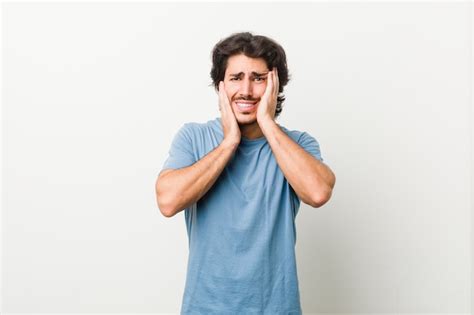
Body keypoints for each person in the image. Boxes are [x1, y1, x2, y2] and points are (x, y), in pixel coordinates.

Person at [155, 32, 336, 314]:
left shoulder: (298, 144)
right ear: (221, 86)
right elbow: (168, 201)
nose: (247, 90)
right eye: (236, 78)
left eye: (259, 78)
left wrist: (266, 121)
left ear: (275, 85)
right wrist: (230, 142)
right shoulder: (193, 137)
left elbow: (318, 192)